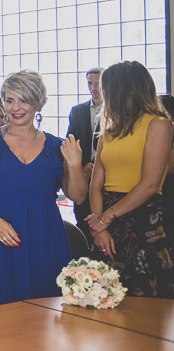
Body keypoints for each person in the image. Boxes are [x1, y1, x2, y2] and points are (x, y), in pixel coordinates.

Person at [87, 61, 174, 351]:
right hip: (108, 222)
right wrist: (98, 220)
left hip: (142, 223)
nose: (100, 94)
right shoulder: (109, 127)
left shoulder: (159, 124)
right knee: (113, 316)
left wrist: (107, 217)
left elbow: (150, 183)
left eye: (105, 87)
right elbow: (96, 180)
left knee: (144, 323)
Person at [0, 71, 87, 309]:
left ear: (38, 102)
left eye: (23, 100)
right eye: (9, 100)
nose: (15, 108)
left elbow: (78, 196)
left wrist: (74, 164)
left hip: (44, 237)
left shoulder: (55, 145)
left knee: (45, 312)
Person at [67, 67, 104, 242]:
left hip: (106, 176)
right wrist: (80, 167)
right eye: (90, 83)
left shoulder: (114, 110)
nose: (93, 87)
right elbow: (71, 141)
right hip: (84, 175)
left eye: (97, 83)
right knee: (83, 222)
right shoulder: (78, 111)